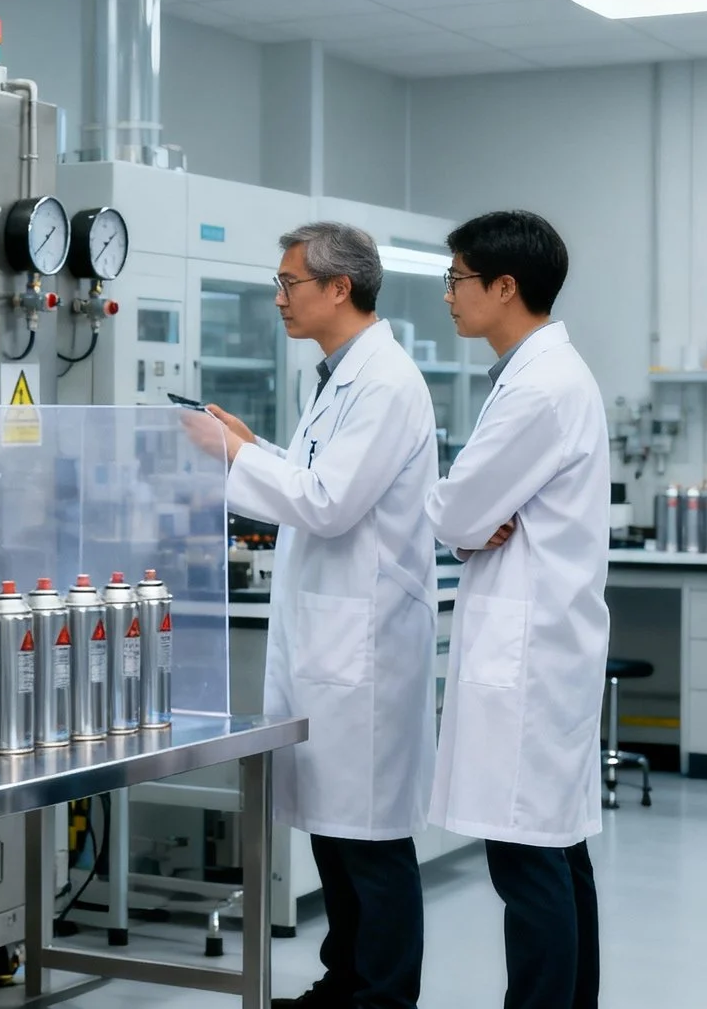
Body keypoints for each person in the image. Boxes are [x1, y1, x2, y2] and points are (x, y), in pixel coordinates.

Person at [193, 222, 438, 1009]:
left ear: (340, 287)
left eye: (289, 282)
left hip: (364, 645)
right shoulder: (339, 377)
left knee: (370, 839)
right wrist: (253, 443)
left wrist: (234, 457)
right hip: (332, 636)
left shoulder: (387, 382)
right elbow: (314, 475)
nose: (278, 297)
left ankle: (385, 993)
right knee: (337, 834)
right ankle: (346, 981)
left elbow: (328, 503)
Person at [424, 210, 609, 1009]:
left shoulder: (538, 386)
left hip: (530, 652)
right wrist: (469, 519)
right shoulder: (545, 375)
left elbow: (460, 512)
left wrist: (463, 521)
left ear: (505, 286)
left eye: (458, 279)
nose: (449, 296)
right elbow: (472, 514)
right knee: (556, 850)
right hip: (545, 644)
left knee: (528, 860)